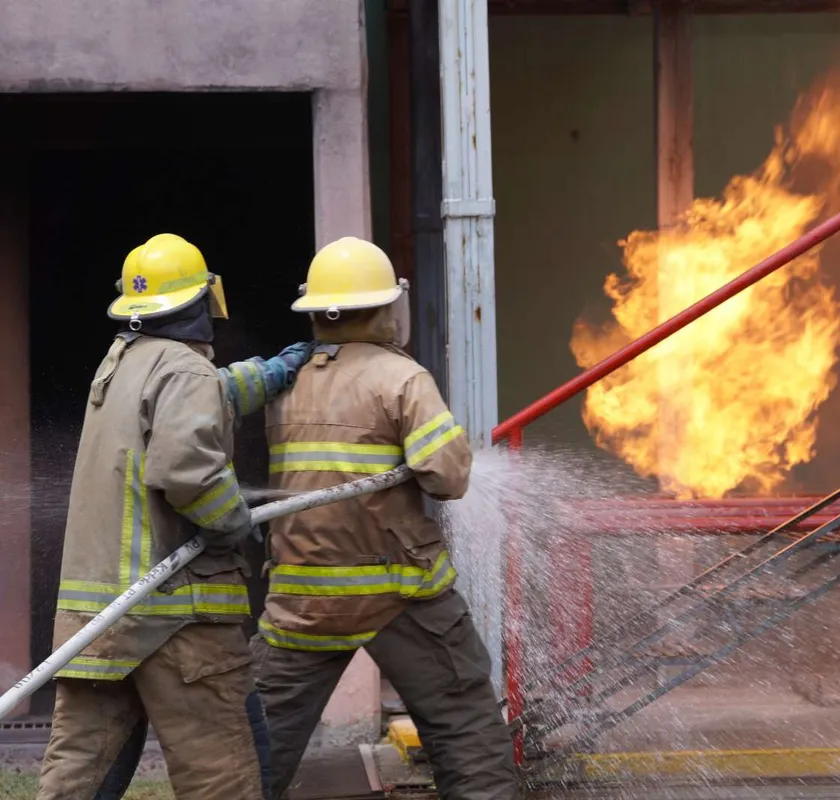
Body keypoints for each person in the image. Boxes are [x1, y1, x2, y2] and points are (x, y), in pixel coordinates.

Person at [37, 233, 313, 800]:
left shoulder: (121, 365)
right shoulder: (185, 370)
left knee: (79, 781)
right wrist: (237, 519)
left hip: (102, 619)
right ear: (201, 301)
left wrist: (268, 373)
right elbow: (186, 470)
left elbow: (193, 399)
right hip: (178, 616)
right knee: (231, 776)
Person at [252, 237, 518, 800]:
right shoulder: (401, 379)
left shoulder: (285, 383)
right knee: (465, 726)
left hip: (301, 597)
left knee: (253, 752)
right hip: (401, 592)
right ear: (384, 306)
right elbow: (449, 478)